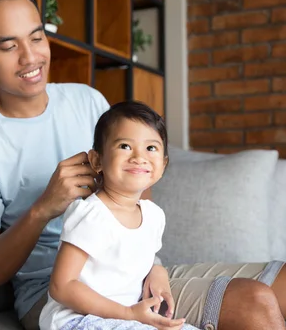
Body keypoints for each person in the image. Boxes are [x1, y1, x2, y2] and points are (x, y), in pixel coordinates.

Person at [0, 0, 286, 330]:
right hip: (61, 298)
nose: (30, 57)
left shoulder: (87, 101)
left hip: (134, 271)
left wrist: (153, 264)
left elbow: (138, 191)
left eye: (36, 37)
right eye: (7, 45)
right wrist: (42, 209)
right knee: (254, 305)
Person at [38, 100, 198, 330]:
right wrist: (128, 313)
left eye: (151, 148)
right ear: (97, 160)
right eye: (125, 146)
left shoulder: (153, 216)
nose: (139, 157)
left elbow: (134, 257)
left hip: (124, 318)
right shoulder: (92, 214)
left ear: (163, 165)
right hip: (76, 319)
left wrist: (158, 272)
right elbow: (62, 286)